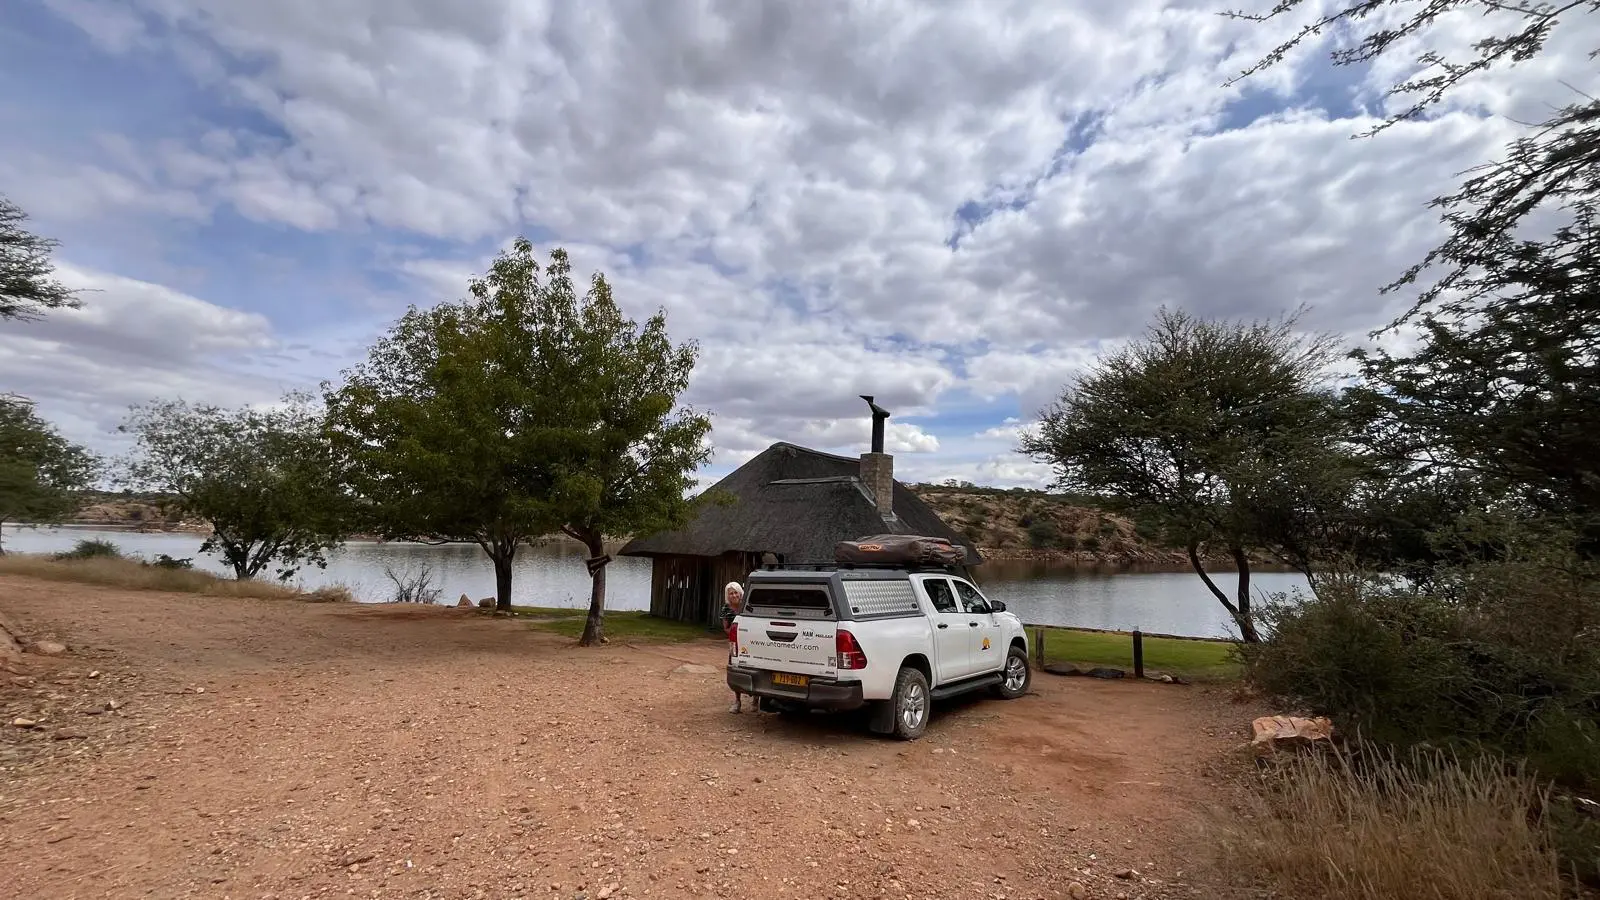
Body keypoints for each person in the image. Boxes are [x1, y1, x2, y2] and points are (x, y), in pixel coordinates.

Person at [721, 581, 749, 714]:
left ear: (740, 593)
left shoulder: (746, 606)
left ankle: (756, 699)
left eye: (735, 592)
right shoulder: (726, 609)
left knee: (753, 666)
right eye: (730, 593)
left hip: (749, 641)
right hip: (734, 642)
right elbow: (726, 628)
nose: (733, 595)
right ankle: (737, 701)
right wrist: (735, 633)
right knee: (734, 668)